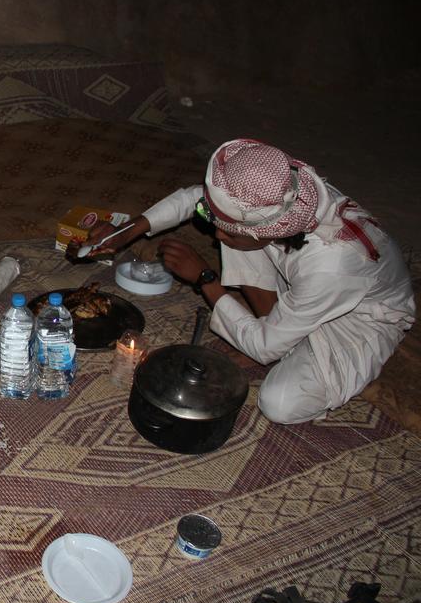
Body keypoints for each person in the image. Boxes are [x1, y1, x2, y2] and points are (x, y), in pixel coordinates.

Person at [87, 138, 415, 424]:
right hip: (306, 279)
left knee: (280, 403)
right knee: (234, 239)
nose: (215, 234)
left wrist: (205, 278)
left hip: (357, 317)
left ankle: (282, 329)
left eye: (227, 229)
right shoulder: (279, 195)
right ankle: (273, 319)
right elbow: (195, 200)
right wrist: (125, 231)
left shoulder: (333, 265)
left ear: (270, 232)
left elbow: (264, 349)